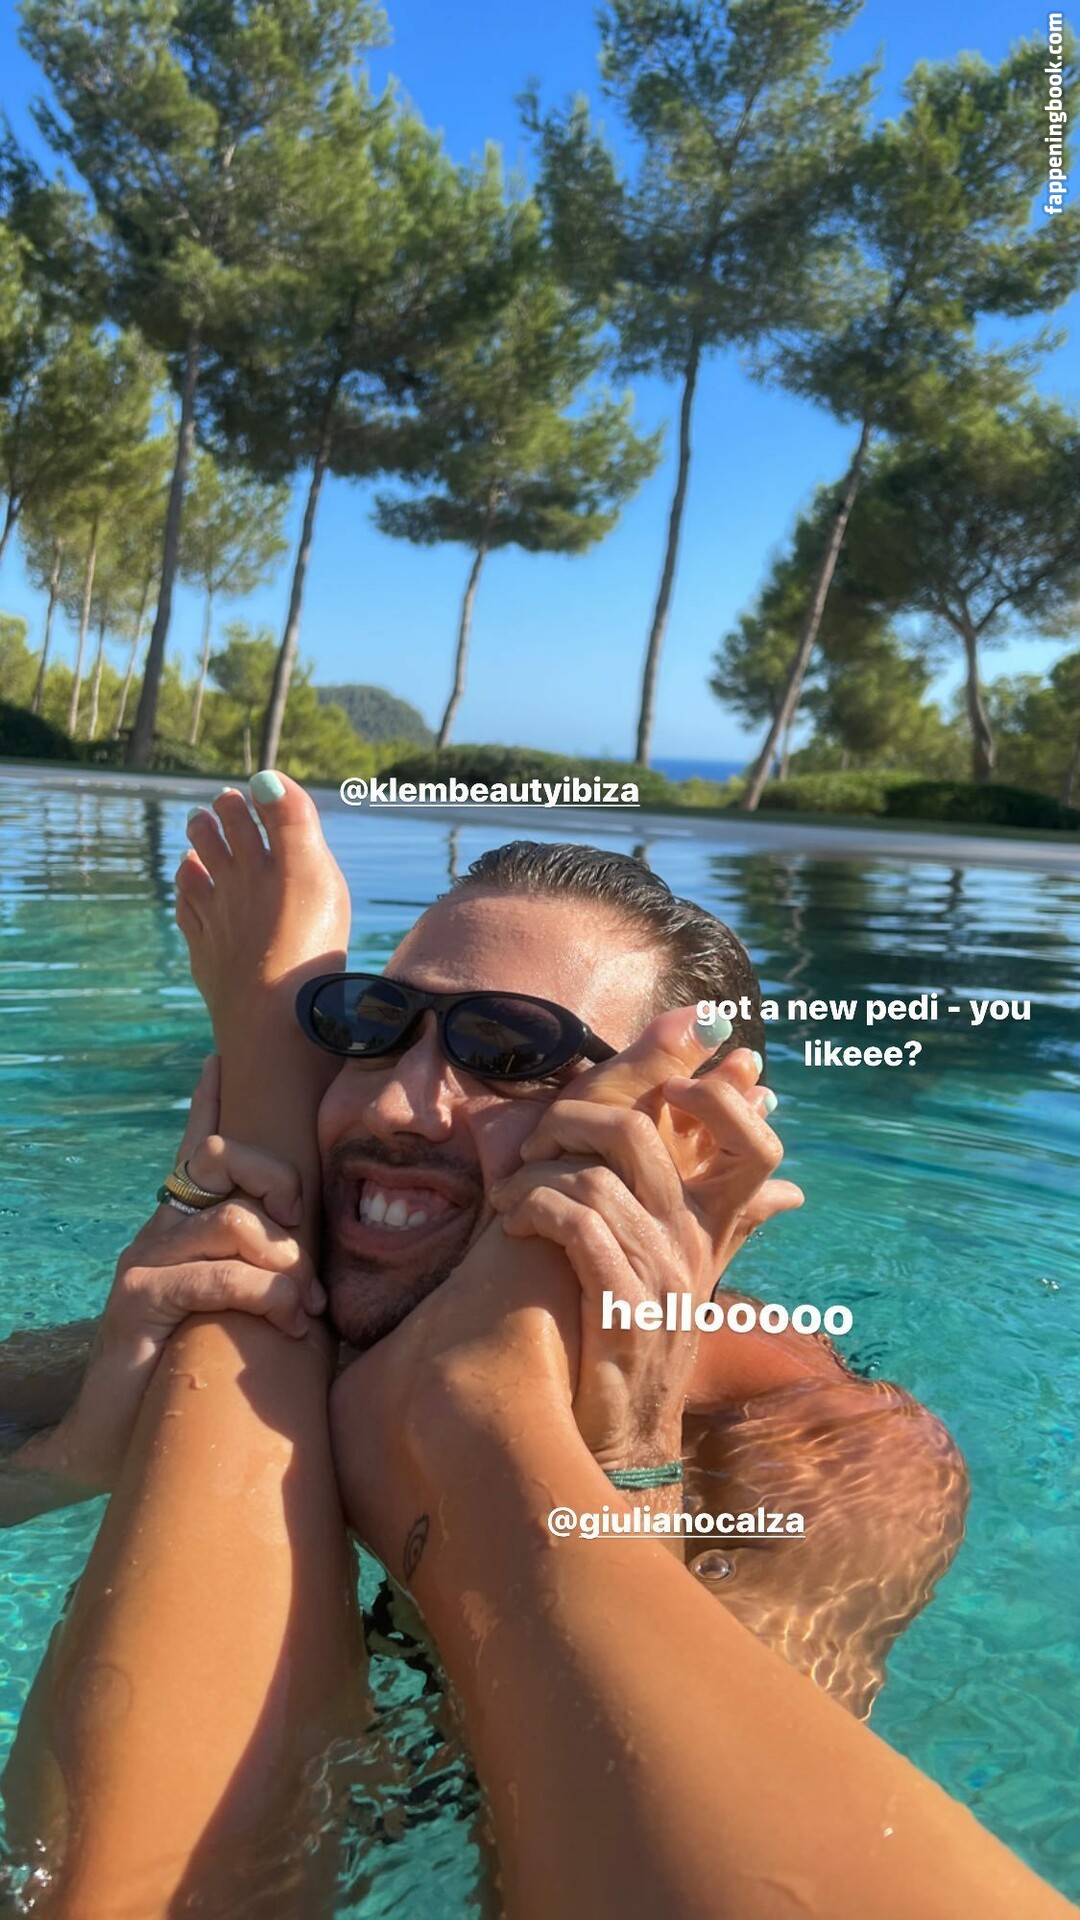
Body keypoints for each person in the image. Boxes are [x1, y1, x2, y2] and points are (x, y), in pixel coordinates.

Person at [0, 773, 977, 1913]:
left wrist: (626, 1461)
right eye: (366, 1028)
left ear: (687, 1146)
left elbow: (603, 1857)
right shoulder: (326, 1288)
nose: (394, 1107)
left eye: (510, 1053)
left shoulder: (835, 1454)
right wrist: (67, 1456)